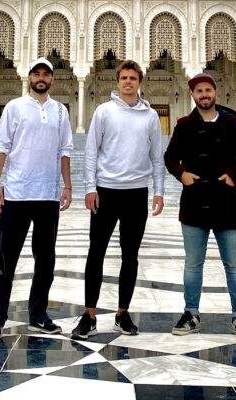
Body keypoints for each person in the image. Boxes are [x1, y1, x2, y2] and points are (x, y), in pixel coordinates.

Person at [70, 59, 165, 340]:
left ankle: (122, 313)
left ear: (140, 82)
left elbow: (156, 157)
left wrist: (158, 191)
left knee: (130, 256)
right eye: (124, 78)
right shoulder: (104, 111)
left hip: (136, 193)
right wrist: (90, 188)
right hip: (106, 191)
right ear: (117, 81)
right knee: (95, 253)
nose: (128, 82)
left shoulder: (149, 117)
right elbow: (91, 152)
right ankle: (89, 316)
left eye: (133, 78)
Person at [0, 58, 73, 340]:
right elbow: (1, 147)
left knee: (44, 261)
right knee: (5, 259)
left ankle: (38, 315)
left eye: (46, 74)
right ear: (29, 77)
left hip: (47, 195)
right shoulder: (14, 107)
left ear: (52, 80)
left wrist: (67, 185)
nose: (41, 78)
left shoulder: (60, 111)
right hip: (17, 194)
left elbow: (65, 150)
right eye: (37, 73)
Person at [163, 72, 236, 340]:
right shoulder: (183, 125)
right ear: (192, 95)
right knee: (193, 264)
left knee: (234, 264)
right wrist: (181, 174)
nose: (204, 95)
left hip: (226, 202)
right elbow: (170, 157)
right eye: (199, 91)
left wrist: (233, 176)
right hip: (194, 203)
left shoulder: (231, 123)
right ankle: (190, 313)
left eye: (208, 90)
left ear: (215, 93)